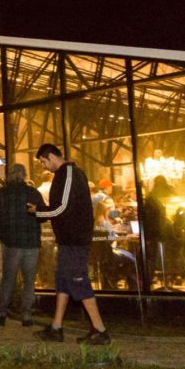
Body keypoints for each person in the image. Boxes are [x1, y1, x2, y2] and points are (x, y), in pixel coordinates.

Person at [30, 143, 110, 345]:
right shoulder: (69, 174)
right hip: (70, 239)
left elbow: (62, 209)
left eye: (43, 162)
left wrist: (38, 211)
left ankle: (100, 330)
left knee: (77, 280)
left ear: (50, 157)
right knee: (64, 281)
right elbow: (63, 208)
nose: (44, 167)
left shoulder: (68, 175)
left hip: (74, 239)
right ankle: (56, 327)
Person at [0, 164, 45, 327]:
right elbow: (42, 216)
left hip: (12, 243)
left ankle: (1, 314)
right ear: (24, 175)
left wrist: (4, 237)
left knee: (8, 279)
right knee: (29, 281)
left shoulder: (2, 194)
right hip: (31, 242)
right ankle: (26, 316)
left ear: (10, 176)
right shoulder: (33, 193)